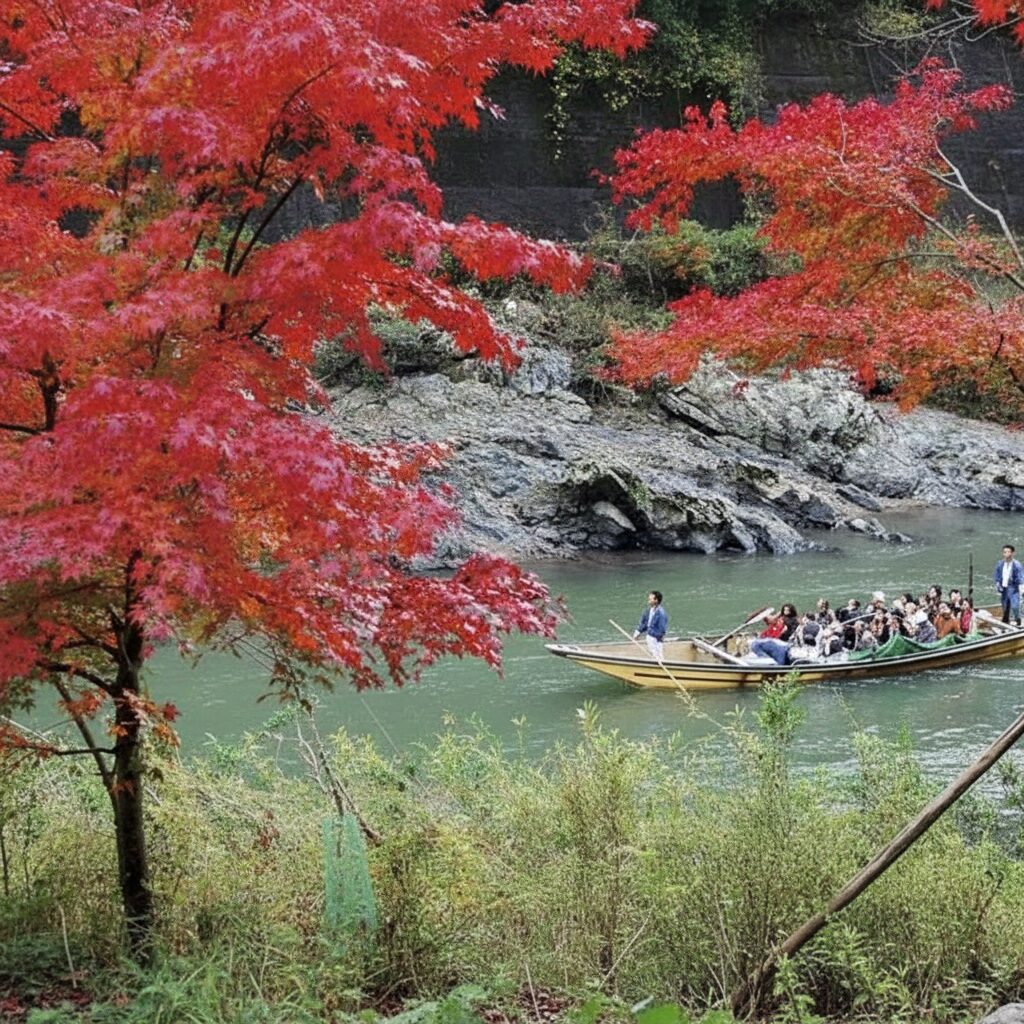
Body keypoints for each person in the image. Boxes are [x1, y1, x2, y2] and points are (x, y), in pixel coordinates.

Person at [633, 590, 668, 660]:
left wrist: (658, 638)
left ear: (656, 600)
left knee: (658, 657)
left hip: (655, 638)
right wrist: (637, 632)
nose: (648, 600)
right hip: (650, 637)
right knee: (654, 655)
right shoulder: (649, 611)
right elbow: (644, 623)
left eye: (650, 599)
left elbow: (662, 629)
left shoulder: (661, 613)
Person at [994, 544, 1023, 626]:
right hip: (1004, 588)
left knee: (1015, 606)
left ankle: (1018, 619)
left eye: (1008, 552)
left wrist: (1021, 587)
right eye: (1004, 552)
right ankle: (1006, 619)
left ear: (1012, 553)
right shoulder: (1000, 564)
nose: (1006, 554)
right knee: (1005, 604)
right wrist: (997, 583)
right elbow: (997, 574)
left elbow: (1020, 576)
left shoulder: (1017, 565)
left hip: (1013, 587)